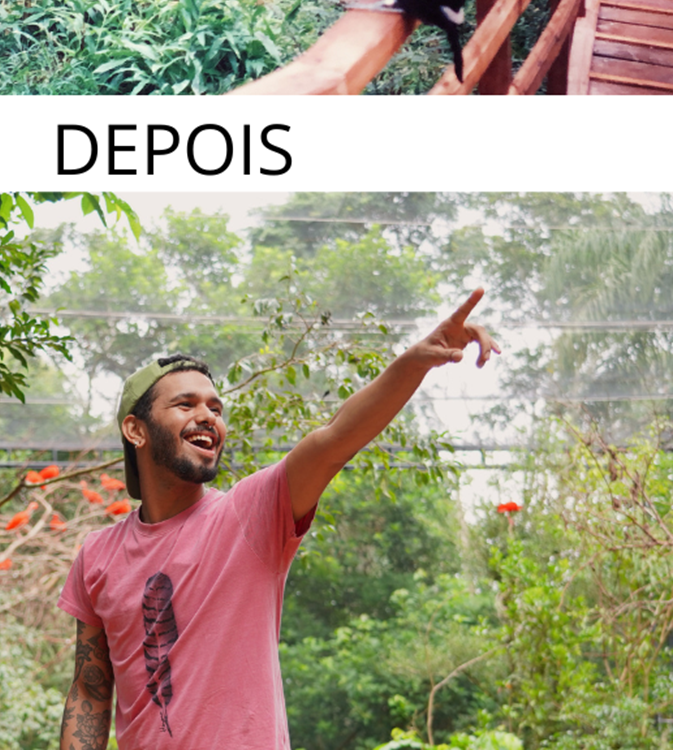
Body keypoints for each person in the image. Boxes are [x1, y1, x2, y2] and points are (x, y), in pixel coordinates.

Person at [57, 289, 498, 750]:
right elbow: (90, 689)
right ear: (136, 429)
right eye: (185, 405)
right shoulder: (98, 556)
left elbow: (335, 439)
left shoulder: (251, 514)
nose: (208, 416)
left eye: (215, 408)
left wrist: (415, 361)